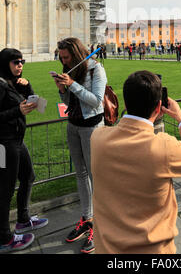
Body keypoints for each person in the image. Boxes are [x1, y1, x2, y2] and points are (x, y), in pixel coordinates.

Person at [91, 70, 181, 254]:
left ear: (126, 103)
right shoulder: (163, 146)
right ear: (159, 107)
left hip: (107, 248)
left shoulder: (97, 138)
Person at [53, 38, 107, 254]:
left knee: (96, 176)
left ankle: (102, 226)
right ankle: (87, 219)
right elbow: (69, 104)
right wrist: (62, 90)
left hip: (92, 127)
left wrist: (72, 85)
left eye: (66, 57)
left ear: (76, 54)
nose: (64, 62)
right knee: (81, 174)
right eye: (61, 58)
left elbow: (96, 101)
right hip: (73, 125)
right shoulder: (69, 69)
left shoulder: (96, 69)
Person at [0, 48, 48, 254]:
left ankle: (23, 219)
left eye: (22, 62)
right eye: (16, 62)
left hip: (17, 140)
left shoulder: (13, 82)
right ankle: (4, 238)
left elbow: (35, 103)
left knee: (28, 176)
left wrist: (28, 87)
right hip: (4, 143)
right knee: (5, 189)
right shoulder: (0, 85)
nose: (20, 65)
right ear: (5, 64)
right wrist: (16, 111)